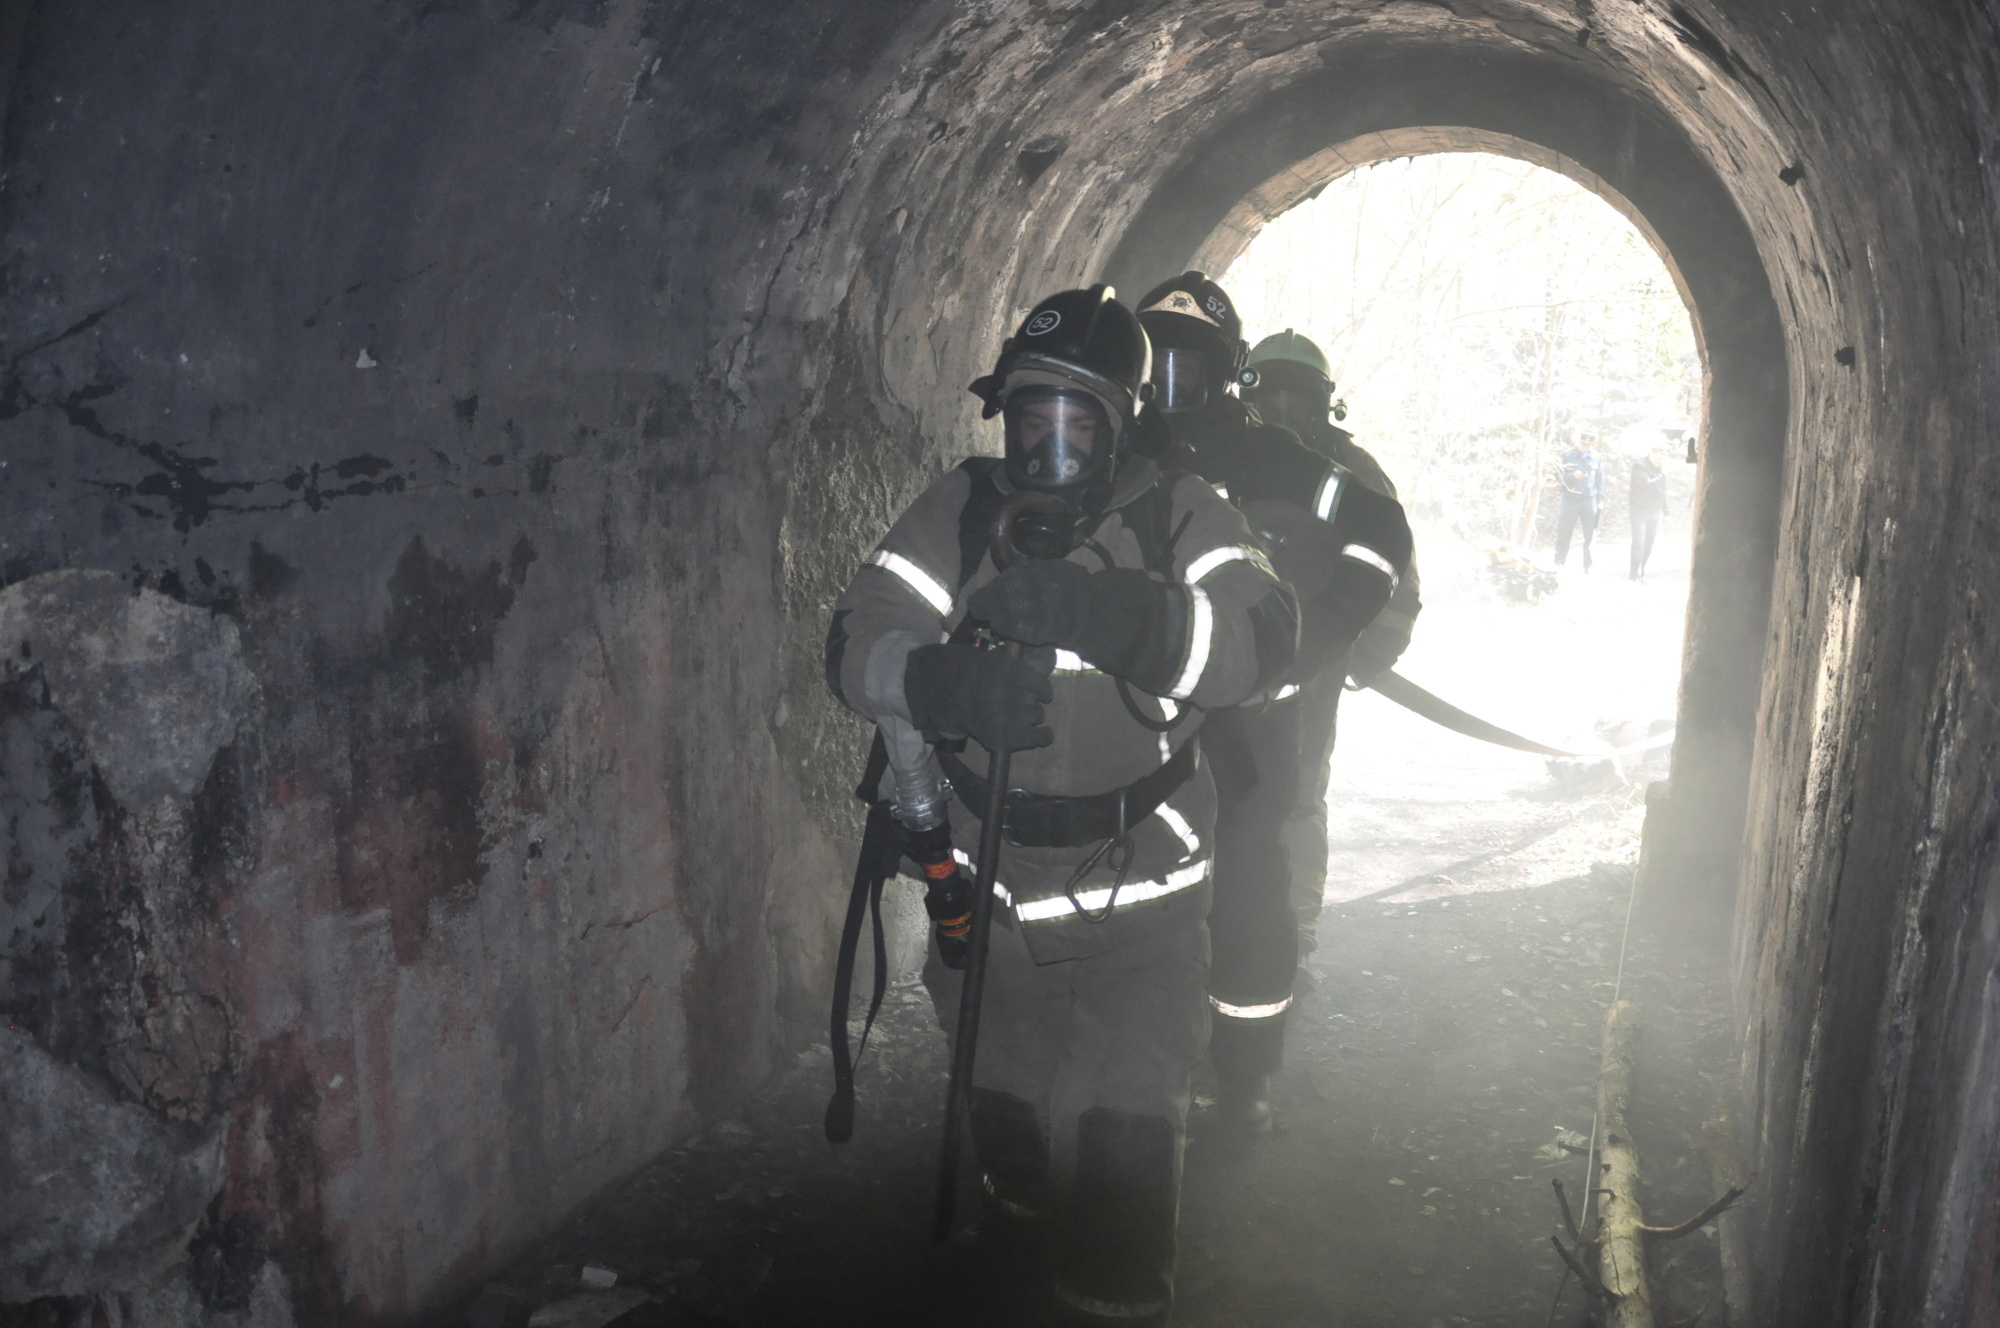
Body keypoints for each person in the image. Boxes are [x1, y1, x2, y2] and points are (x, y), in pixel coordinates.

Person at [826, 284, 1300, 1327]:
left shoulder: (1181, 513)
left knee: (1124, 1132)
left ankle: (1113, 1294)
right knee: (1007, 1117)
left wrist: (1123, 617)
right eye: (1029, 417)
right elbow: (858, 632)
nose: (1047, 447)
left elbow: (1265, 637)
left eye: (1076, 422)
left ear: (1120, 425)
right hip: (982, 902)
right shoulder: (958, 511)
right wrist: (931, 680)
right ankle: (1012, 1241)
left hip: (1143, 899)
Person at [1135, 279, 1413, 1138]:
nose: (1176, 381)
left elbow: (1382, 533)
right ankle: (1142, 1061)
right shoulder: (1114, 443)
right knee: (1136, 886)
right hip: (1128, 723)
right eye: (1160, 359)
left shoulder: (1280, 462)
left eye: (1196, 362)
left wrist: (1322, 643)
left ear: (1229, 373)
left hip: (1250, 721)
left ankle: (1247, 1074)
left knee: (1255, 879)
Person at [1237, 329, 1423, 969]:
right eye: (1272, 395)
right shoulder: (1226, 451)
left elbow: (1394, 563)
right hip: (1222, 642)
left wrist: (1373, 646)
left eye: (1300, 397)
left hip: (1313, 651)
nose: (1284, 412)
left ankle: (1293, 925)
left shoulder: (1354, 474)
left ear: (1325, 403)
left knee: (1296, 787)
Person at [1554, 434, 1604, 571]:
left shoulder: (1596, 458)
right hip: (1570, 500)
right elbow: (1558, 476)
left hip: (1590, 500)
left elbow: (1599, 481)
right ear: (1579, 442)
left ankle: (1589, 566)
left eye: (1588, 446)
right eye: (1583, 444)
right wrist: (1572, 476)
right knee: (1564, 532)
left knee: (1590, 535)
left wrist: (1600, 500)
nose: (1585, 447)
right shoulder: (1567, 456)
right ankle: (1559, 563)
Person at [1629, 445, 1669, 580]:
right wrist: (1661, 476)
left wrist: (1666, 513)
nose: (1660, 461)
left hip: (1654, 512)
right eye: (1658, 458)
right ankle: (1635, 574)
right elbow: (1646, 484)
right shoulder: (1639, 466)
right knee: (1639, 544)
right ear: (1651, 453)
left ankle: (1641, 569)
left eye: (1663, 458)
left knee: (1648, 545)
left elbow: (1663, 492)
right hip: (1639, 511)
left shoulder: (1660, 470)